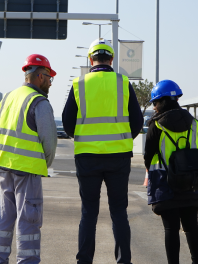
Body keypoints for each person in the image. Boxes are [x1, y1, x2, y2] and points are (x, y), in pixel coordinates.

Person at [62, 38, 143, 264]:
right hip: (119, 157)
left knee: (89, 212)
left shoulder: (79, 84)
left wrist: (84, 138)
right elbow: (137, 122)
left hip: (87, 158)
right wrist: (121, 139)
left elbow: (67, 123)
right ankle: (124, 260)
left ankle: (84, 261)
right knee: (119, 212)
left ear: (90, 60)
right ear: (112, 59)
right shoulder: (123, 83)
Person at [0, 54, 58, 264]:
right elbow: (50, 143)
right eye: (49, 78)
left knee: (3, 220)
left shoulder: (8, 97)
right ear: (39, 76)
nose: (50, 83)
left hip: (2, 168)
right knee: (29, 222)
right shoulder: (39, 102)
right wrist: (43, 163)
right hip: (27, 171)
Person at [144, 80, 198, 264]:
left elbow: (148, 157)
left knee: (171, 229)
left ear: (162, 101)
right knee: (192, 227)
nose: (154, 107)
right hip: (192, 183)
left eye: (155, 103)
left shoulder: (157, 126)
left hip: (167, 184)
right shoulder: (194, 123)